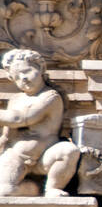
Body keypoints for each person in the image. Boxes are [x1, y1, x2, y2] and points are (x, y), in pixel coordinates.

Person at [0, 48, 79, 196]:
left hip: (46, 157)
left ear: (41, 68)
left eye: (27, 71)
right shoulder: (15, 100)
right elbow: (7, 134)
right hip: (16, 156)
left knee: (68, 151)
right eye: (17, 76)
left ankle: (52, 188)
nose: (23, 78)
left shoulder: (50, 96)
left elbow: (23, 118)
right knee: (4, 192)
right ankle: (34, 189)